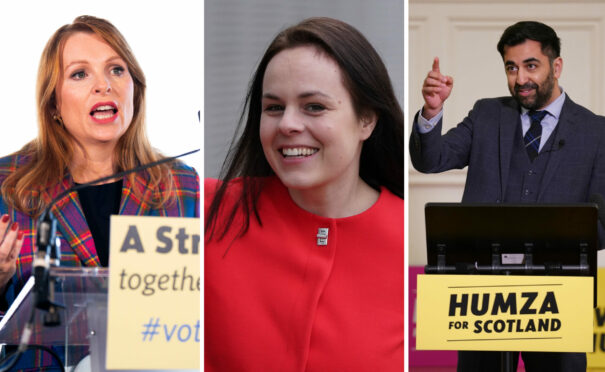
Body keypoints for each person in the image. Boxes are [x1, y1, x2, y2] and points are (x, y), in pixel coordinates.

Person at [0, 15, 199, 370]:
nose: (103, 85)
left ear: (135, 88)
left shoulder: (183, 185)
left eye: (116, 70)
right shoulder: (8, 183)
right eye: (80, 74)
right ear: (53, 104)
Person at [205, 17, 404, 371]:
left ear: (366, 120)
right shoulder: (201, 208)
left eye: (314, 106)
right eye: (274, 107)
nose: (287, 124)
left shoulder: (413, 236)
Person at [410, 20, 605, 371]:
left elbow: (603, 220)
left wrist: (563, 238)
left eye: (531, 66)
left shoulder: (596, 131)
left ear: (556, 66)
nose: (520, 79)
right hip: (480, 299)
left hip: (558, 300)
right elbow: (431, 159)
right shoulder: (486, 114)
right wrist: (432, 112)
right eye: (511, 68)